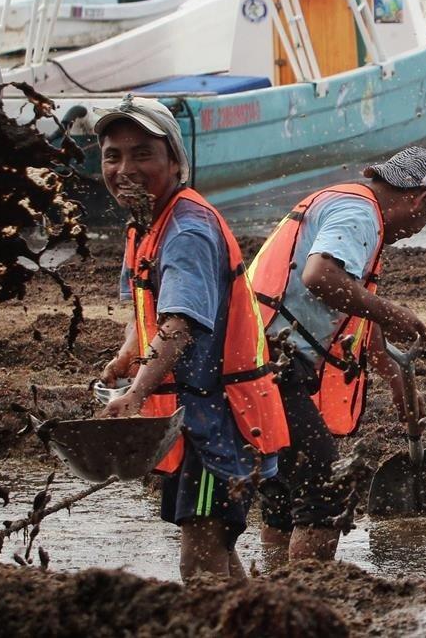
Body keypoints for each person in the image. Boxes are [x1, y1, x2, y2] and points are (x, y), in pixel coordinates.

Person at [95, 95, 289, 582]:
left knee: (200, 563)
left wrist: (136, 393)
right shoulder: (145, 224)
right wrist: (127, 355)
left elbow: (179, 324)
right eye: (112, 155)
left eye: (143, 154)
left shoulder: (185, 230)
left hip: (220, 422)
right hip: (200, 416)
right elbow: (149, 310)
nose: (124, 168)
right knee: (219, 552)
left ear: (175, 162)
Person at [247, 146, 426, 563]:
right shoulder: (359, 213)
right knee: (324, 485)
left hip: (255, 355)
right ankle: (311, 593)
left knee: (286, 491)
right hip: (270, 361)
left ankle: (274, 581)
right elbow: (321, 276)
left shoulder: (346, 204)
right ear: (419, 199)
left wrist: (399, 385)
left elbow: (360, 317)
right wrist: (392, 312)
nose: (419, 229)